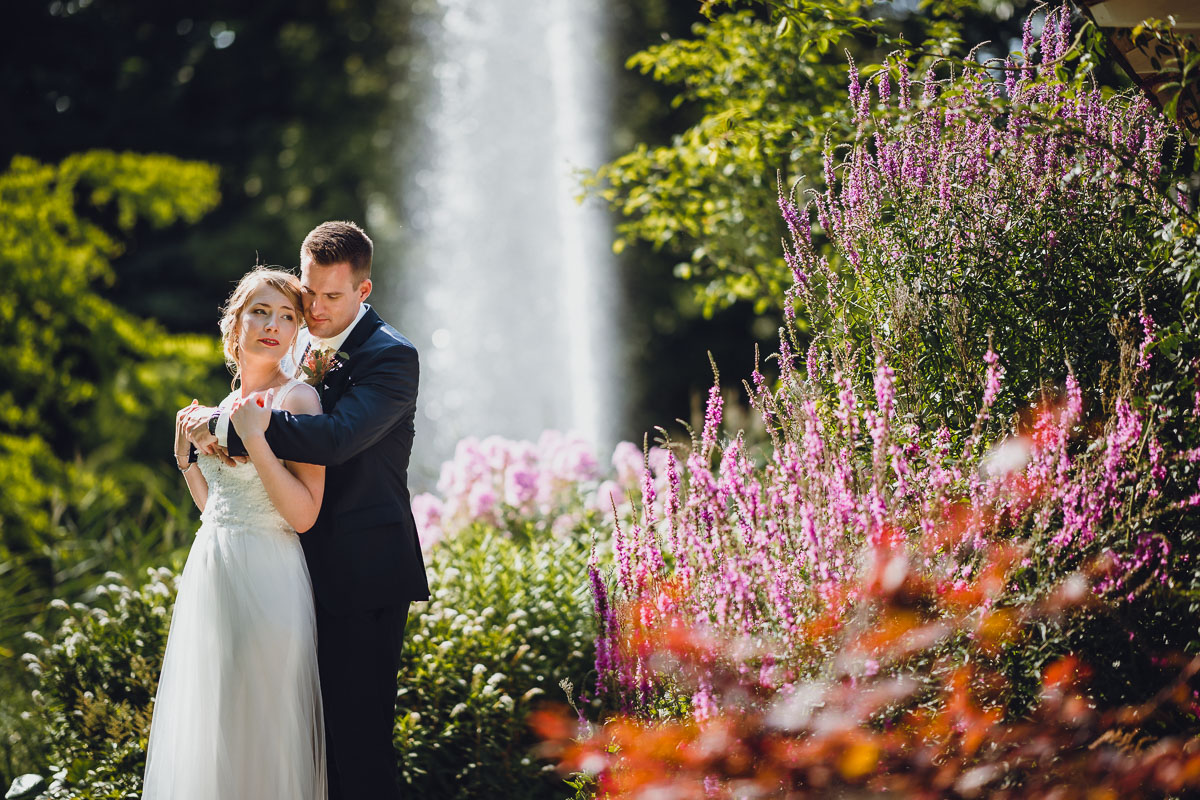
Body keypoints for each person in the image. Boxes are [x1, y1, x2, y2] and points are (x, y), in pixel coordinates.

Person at [184, 220, 430, 800]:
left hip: (363, 572)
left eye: (332, 297)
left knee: (357, 746)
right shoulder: (305, 352)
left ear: (363, 292)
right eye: (308, 291)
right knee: (304, 749)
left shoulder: (391, 357)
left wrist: (230, 428)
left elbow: (339, 438)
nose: (313, 309)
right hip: (291, 571)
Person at [146, 267, 326, 799]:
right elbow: (221, 509)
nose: (273, 325)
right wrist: (187, 461)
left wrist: (258, 439)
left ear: (297, 333)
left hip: (269, 578)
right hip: (213, 575)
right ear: (235, 324)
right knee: (215, 729)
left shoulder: (297, 401)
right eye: (261, 312)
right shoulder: (220, 408)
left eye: (287, 316)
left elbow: (303, 514)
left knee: (261, 732)